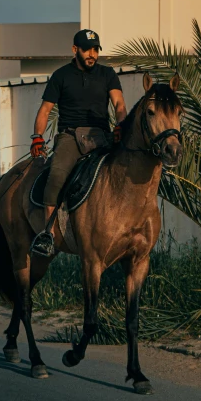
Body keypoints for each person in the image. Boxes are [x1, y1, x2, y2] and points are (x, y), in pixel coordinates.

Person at [29, 29, 127, 257]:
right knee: (55, 177)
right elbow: (45, 110)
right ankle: (48, 235)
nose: (92, 54)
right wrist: (37, 136)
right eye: (87, 50)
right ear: (75, 50)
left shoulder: (108, 74)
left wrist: (120, 125)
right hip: (70, 137)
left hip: (100, 136)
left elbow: (119, 104)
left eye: (95, 49)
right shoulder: (61, 76)